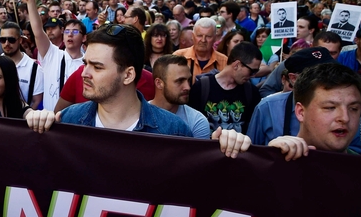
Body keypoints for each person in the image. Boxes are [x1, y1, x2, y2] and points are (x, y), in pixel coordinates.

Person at [24, 23, 251, 157]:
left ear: (129, 75)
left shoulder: (173, 131)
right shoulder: (69, 121)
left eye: (97, 67)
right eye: (86, 63)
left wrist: (227, 149)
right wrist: (39, 125)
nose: (84, 74)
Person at [21, 0, 84, 112]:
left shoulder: (88, 64)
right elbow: (38, 31)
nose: (70, 34)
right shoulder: (53, 54)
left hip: (77, 124)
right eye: (67, 31)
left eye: (75, 31)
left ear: (84, 38)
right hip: (50, 123)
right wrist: (31, 1)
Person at [189, 42, 262, 133]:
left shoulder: (252, 92)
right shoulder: (201, 88)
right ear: (237, 65)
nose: (253, 76)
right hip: (207, 146)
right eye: (251, 71)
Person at [260, 31, 342, 97]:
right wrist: (283, 101)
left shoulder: (342, 72)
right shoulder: (293, 63)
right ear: (312, 46)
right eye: (321, 51)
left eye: (333, 53)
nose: (326, 56)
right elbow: (267, 89)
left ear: (339, 51)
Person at [148, 55, 211, 139]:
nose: (188, 87)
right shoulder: (139, 115)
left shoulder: (196, 121)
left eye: (188, 80)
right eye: (179, 81)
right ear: (159, 83)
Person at [0, 21, 43, 110]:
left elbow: (37, 101)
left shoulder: (34, 68)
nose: (7, 44)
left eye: (11, 40)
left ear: (20, 40)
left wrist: (24, 119)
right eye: (3, 40)